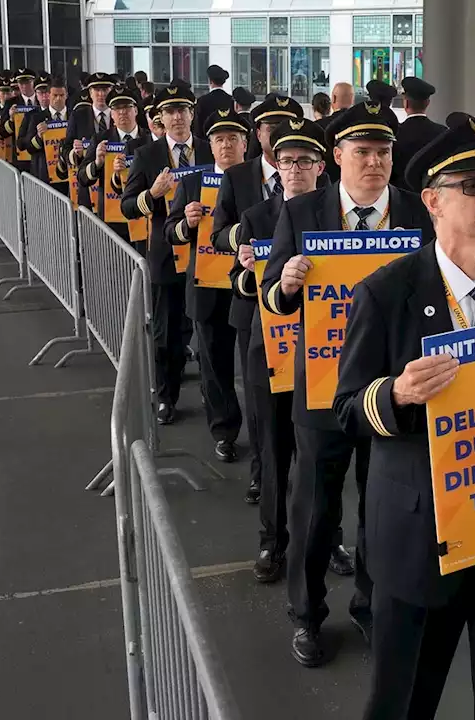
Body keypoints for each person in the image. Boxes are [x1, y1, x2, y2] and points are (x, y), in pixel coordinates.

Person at [333, 114, 475, 720]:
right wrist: (396, 395)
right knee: (405, 699)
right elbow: (346, 408)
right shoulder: (388, 292)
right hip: (419, 537)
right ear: (431, 200)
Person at [261, 99, 433, 667]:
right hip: (321, 389)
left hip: (391, 390)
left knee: (380, 507)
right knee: (314, 507)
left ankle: (370, 603)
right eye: (362, 152)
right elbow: (270, 296)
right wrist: (285, 285)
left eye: (384, 152)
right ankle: (307, 614)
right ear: (337, 157)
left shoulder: (417, 213)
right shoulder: (303, 211)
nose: (375, 163)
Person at [229, 117, 328, 583]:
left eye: (304, 161)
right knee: (273, 452)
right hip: (266, 350)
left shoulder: (333, 219)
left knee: (321, 458)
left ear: (320, 168)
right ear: (276, 166)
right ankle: (273, 541)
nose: (294, 170)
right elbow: (238, 284)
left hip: (320, 357)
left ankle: (330, 540)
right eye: (286, 161)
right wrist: (251, 272)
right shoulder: (255, 217)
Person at [210, 93, 306, 500]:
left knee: (303, 407)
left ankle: (301, 484)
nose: (278, 133)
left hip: (307, 315)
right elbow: (217, 235)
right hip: (253, 307)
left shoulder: (315, 184)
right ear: (258, 133)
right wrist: (245, 244)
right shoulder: (237, 177)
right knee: (260, 405)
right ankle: (261, 474)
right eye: (270, 126)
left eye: (287, 125)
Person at [122, 84, 215, 426]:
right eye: (170, 111)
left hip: (209, 255)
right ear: (159, 118)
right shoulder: (148, 155)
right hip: (165, 256)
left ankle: (213, 395)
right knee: (167, 332)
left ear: (192, 114)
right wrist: (153, 193)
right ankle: (166, 396)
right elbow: (129, 206)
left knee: (208, 330)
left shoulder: (210, 150)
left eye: (183, 110)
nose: (177, 117)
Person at [165, 109, 250, 463]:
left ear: (245, 144)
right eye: (219, 140)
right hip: (206, 286)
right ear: (209, 146)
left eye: (233, 139)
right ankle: (225, 431)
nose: (226, 145)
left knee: (254, 365)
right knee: (214, 366)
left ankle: (263, 437)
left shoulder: (257, 182)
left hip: (248, 287)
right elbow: (170, 231)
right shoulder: (192, 183)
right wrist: (186, 224)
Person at [76, 87, 148, 248]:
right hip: (112, 218)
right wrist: (97, 163)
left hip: (143, 216)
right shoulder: (101, 139)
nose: (122, 113)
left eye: (127, 107)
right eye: (117, 109)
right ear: (112, 113)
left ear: (135, 110)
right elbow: (82, 177)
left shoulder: (149, 139)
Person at [66, 72, 116, 210]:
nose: (101, 94)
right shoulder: (78, 115)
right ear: (90, 92)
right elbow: (65, 148)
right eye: (97, 90)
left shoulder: (120, 115)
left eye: (105, 90)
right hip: (87, 186)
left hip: (115, 189)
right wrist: (75, 153)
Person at [391, 76, 445, 192]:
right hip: (433, 194)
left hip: (401, 196)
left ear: (405, 103)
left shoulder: (395, 133)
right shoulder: (442, 133)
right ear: (427, 103)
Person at [20, 75, 71, 193]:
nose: (58, 99)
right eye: (55, 95)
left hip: (69, 175)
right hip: (45, 175)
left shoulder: (74, 116)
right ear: (49, 95)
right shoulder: (37, 118)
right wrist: (38, 136)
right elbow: (29, 148)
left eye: (61, 95)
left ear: (66, 95)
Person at [192, 64, 233, 137]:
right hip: (226, 140)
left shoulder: (202, 101)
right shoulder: (231, 100)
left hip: (206, 141)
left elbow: (198, 126)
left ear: (210, 81)